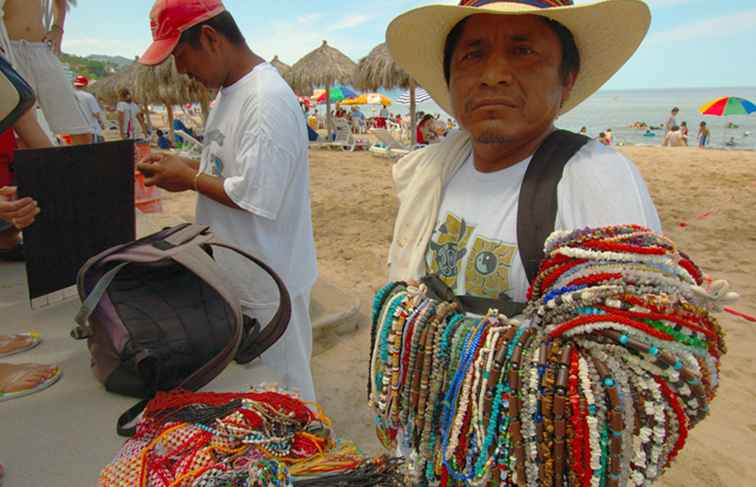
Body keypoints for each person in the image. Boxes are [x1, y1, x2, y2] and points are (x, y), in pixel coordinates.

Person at [384, 0, 660, 309]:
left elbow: (633, 331)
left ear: (567, 79)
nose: (493, 74)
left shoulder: (596, 177)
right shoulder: (434, 171)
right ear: (449, 80)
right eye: (473, 55)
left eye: (523, 52)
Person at [136, 0, 317, 402]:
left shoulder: (265, 99)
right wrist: (182, 166)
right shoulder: (228, 93)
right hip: (243, 274)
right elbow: (230, 169)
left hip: (271, 283)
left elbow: (256, 194)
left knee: (287, 402)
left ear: (210, 38)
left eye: (180, 55)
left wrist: (190, 179)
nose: (180, 70)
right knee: (258, 400)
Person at [2, 0, 91, 144]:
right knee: (24, 133)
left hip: (41, 47)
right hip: (8, 50)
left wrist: (58, 28)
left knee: (79, 129)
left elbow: (60, 3)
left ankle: (81, 166)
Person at [72, 75, 104, 143]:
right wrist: (101, 122)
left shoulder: (70, 97)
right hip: (92, 131)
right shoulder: (89, 96)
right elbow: (96, 113)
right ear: (85, 85)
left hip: (76, 132)